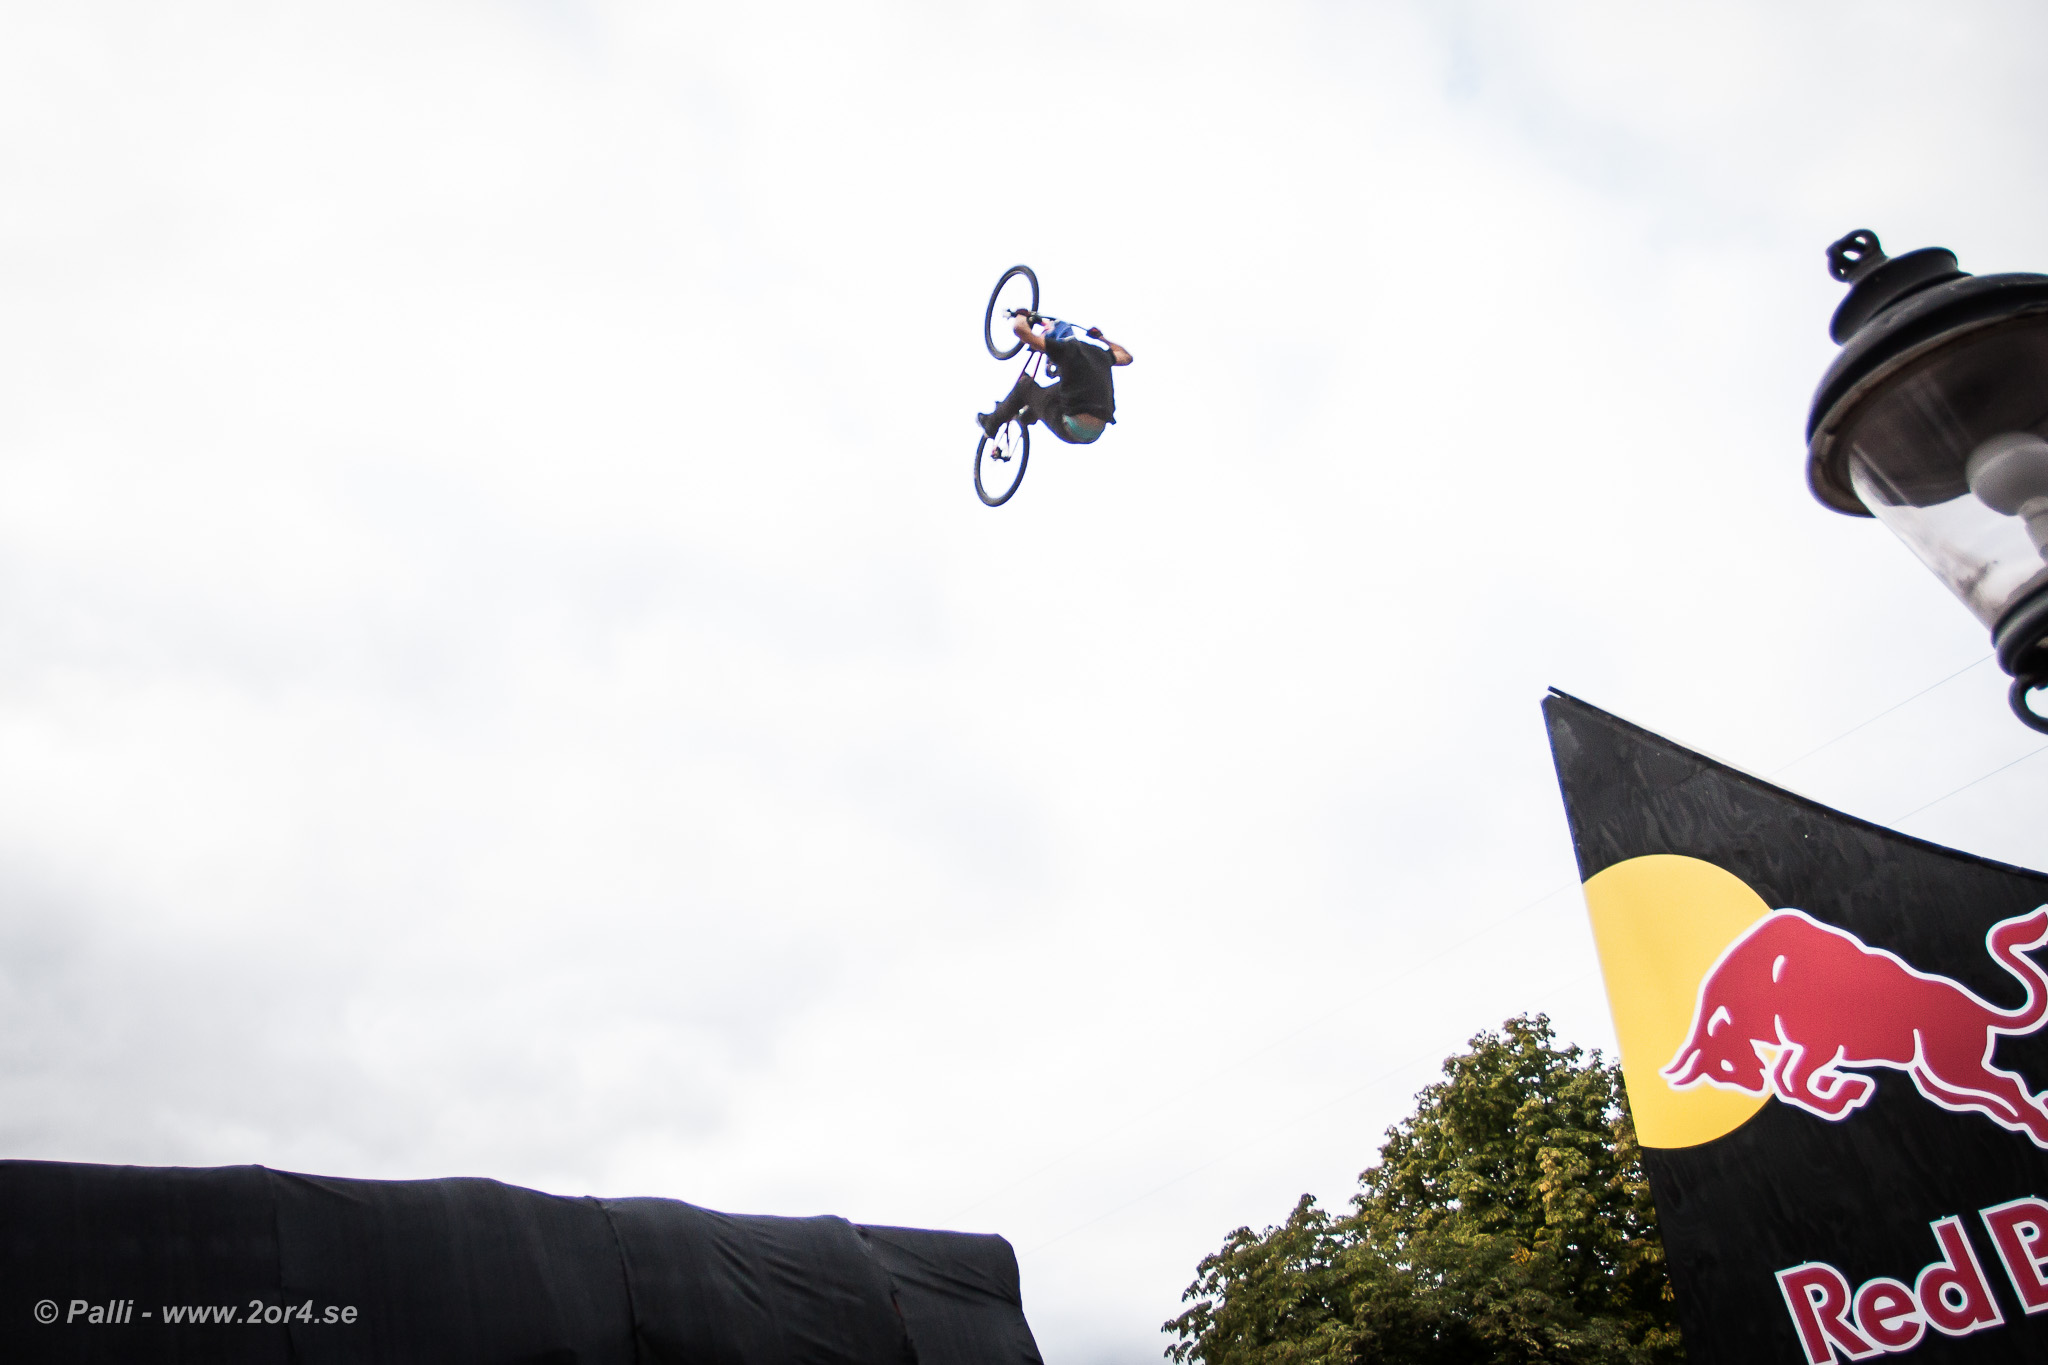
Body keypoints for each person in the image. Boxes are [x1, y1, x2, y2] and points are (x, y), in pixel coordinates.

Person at [977, 315, 1133, 445]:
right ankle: (1029, 414)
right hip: (1097, 431)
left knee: (1024, 386)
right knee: (1062, 388)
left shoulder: (1064, 350)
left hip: (1072, 429)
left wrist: (1021, 316)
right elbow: (1127, 357)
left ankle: (991, 423)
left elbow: (1020, 331)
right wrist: (1101, 338)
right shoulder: (1100, 354)